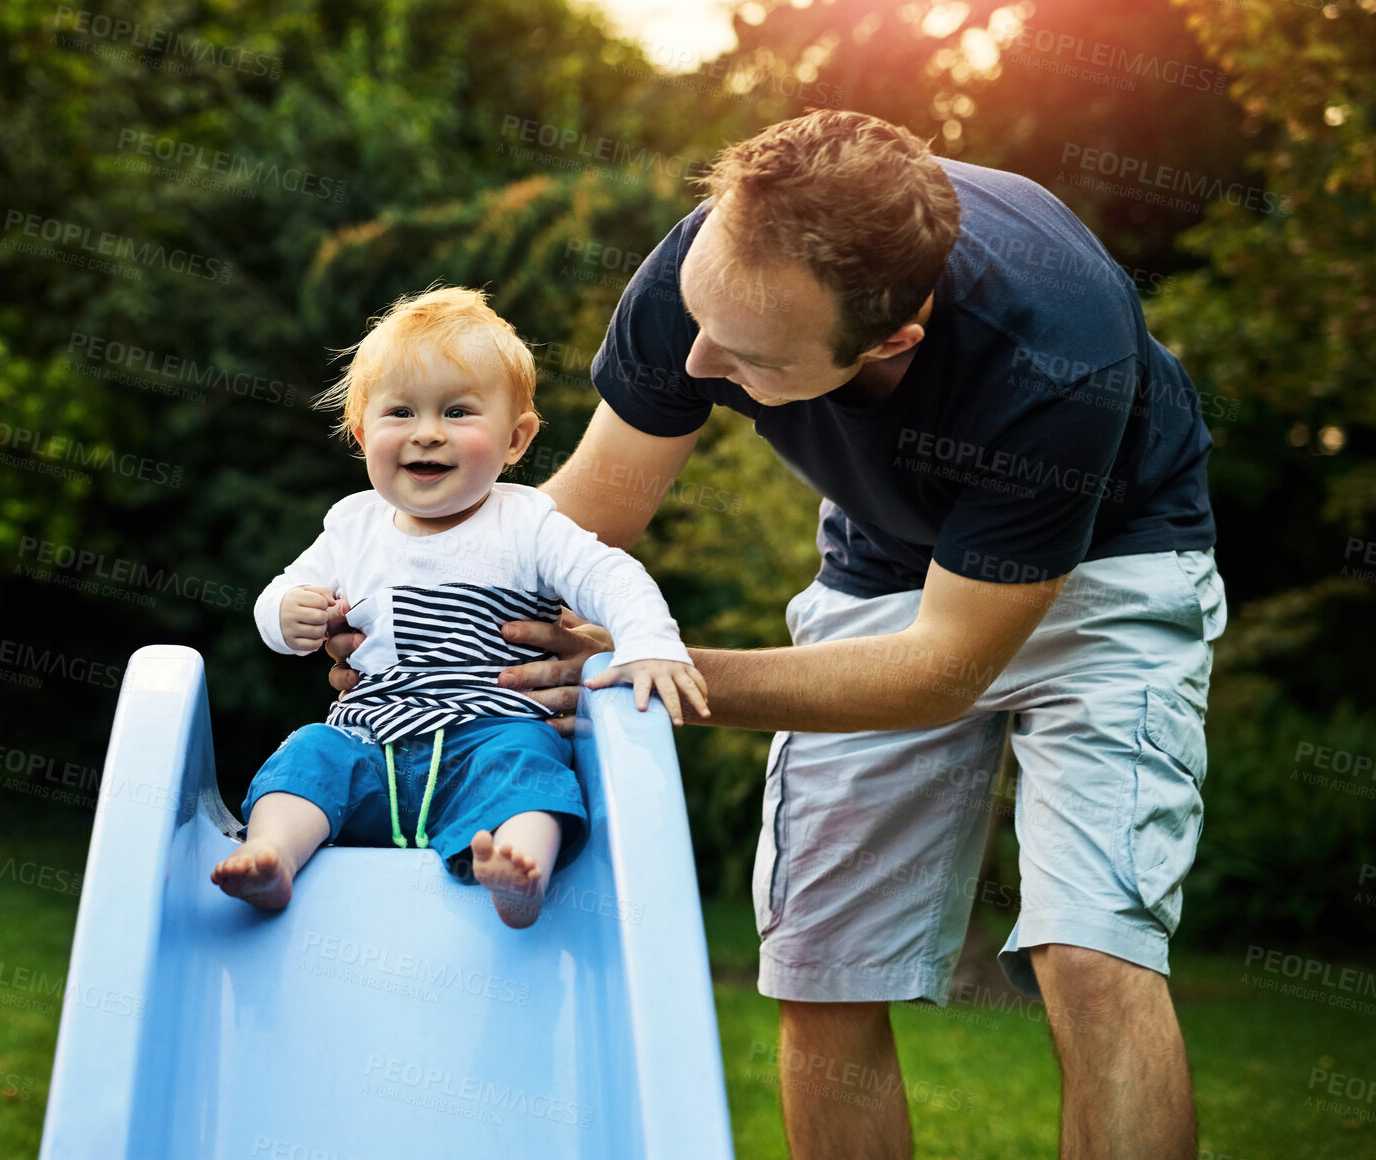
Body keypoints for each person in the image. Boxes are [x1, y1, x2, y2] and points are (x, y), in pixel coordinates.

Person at [329, 112, 1225, 1157]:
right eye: (701, 320)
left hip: (1110, 564)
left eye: (746, 354)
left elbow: (942, 668)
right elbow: (583, 519)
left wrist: (644, 667)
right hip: (885, 563)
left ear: (891, 340)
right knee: (821, 959)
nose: (699, 359)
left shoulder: (1054, 355)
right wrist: (424, 620)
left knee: (1092, 952)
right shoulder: (709, 274)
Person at [214, 285, 709, 928]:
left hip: (489, 735)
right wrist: (286, 616)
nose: (426, 434)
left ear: (516, 440)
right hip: (369, 742)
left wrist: (649, 643)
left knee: (528, 767)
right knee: (308, 753)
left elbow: (610, 575)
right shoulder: (351, 526)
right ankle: (272, 855)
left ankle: (517, 869)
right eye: (400, 413)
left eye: (456, 412)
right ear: (363, 433)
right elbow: (278, 596)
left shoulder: (528, 524)